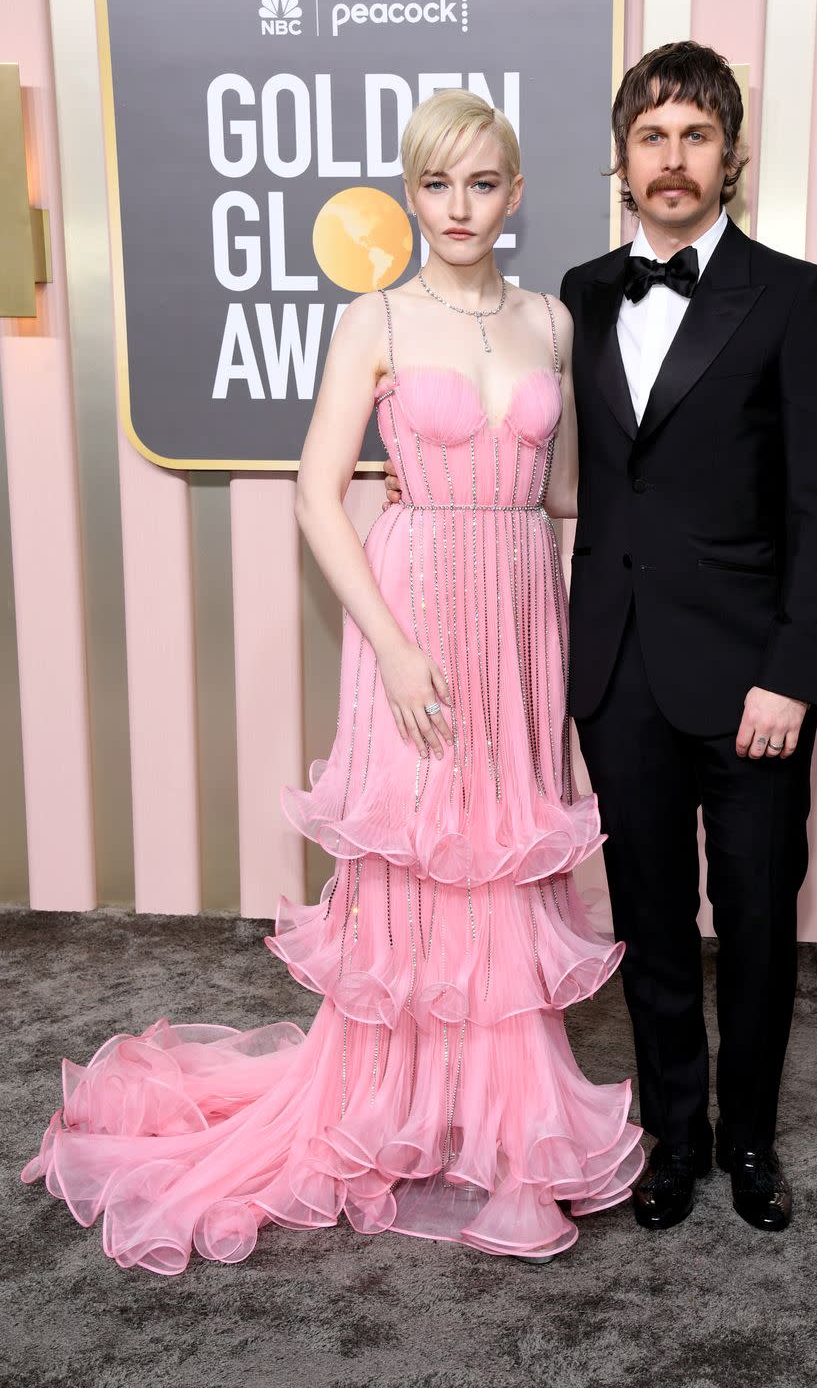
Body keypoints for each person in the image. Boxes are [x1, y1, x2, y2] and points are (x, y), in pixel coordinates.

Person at [21, 90, 644, 1275]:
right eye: (435, 184)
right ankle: (399, 1108)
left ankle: (507, 1129)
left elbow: (562, 490)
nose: (457, 207)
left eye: (480, 183)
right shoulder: (373, 320)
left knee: (500, 849)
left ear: (513, 194)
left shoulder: (553, 323)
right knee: (421, 855)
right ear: (409, 196)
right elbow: (318, 495)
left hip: (519, 608)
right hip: (412, 610)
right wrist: (397, 646)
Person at [386, 43, 817, 1233]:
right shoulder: (580, 295)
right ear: (618, 159)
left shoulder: (798, 296)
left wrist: (793, 674)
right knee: (649, 919)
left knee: (752, 916)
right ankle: (676, 1138)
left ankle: (752, 1141)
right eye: (652, 135)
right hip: (615, 668)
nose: (673, 157)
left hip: (753, 677)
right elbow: (558, 474)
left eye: (696, 135)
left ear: (731, 156)